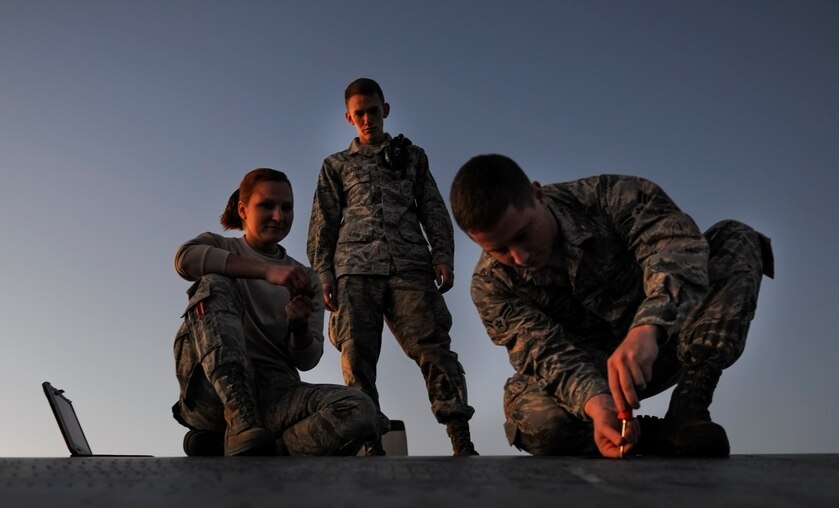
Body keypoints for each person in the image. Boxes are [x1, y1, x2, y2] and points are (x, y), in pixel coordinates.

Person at [450, 154, 774, 458]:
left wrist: (649, 327)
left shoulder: (610, 196)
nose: (519, 258)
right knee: (532, 417)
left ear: (538, 195)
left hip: (671, 340)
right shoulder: (490, 286)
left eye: (522, 235)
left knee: (737, 238)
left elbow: (674, 249)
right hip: (596, 375)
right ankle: (648, 436)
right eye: (500, 250)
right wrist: (595, 404)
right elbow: (543, 353)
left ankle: (689, 408)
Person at [307, 78, 477, 456]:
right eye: (359, 114)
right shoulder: (336, 165)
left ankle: (461, 439)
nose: (367, 119)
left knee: (435, 348)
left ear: (385, 110)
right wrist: (323, 274)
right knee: (356, 357)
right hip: (354, 269)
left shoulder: (412, 157)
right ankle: (370, 444)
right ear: (348, 118)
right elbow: (323, 222)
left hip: (410, 265)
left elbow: (432, 208)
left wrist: (443, 255)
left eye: (372, 110)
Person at [171, 167, 381, 456]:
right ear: (243, 210)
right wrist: (267, 271)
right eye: (266, 205)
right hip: (212, 394)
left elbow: (308, 360)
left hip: (275, 394)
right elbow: (185, 260)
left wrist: (298, 328)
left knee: (361, 409)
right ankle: (239, 420)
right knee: (214, 282)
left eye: (286, 207)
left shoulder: (306, 277)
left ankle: (265, 449)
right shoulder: (220, 246)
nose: (278, 216)